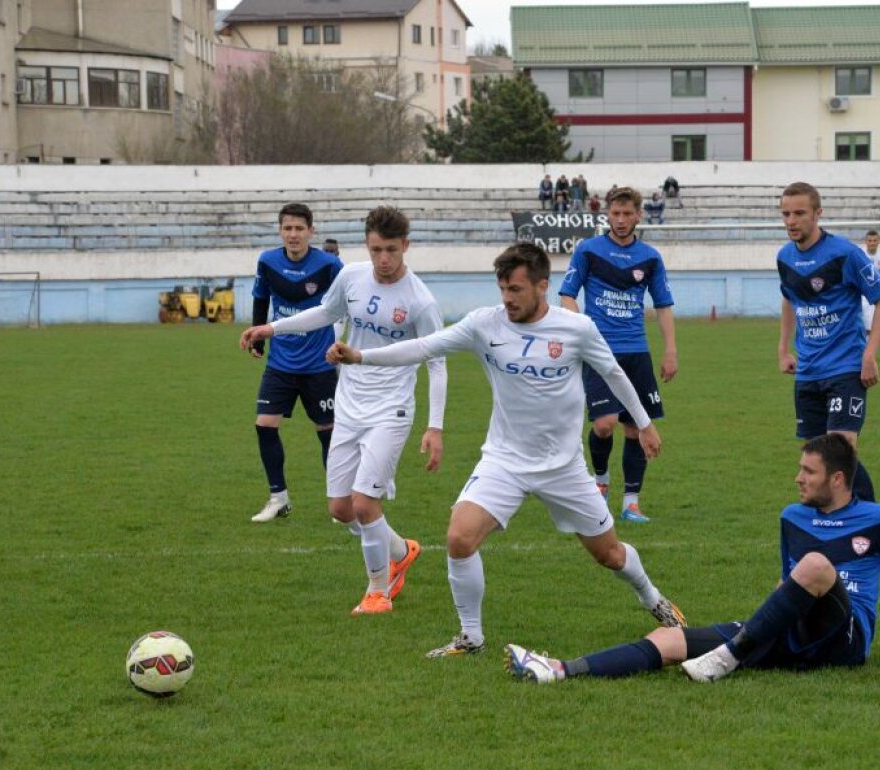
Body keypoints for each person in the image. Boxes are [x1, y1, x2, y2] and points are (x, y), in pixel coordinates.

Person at [325, 242, 686, 658]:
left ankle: (651, 597)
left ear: (542, 286)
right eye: (502, 289)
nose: (507, 299)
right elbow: (425, 347)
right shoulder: (485, 325)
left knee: (609, 554)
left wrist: (642, 424)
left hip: (563, 467)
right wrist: (361, 356)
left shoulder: (577, 328)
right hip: (504, 461)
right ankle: (471, 636)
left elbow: (613, 373)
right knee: (460, 538)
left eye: (516, 289)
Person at [505, 433, 880, 683]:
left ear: (837, 479)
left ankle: (729, 656)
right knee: (669, 639)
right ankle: (560, 670)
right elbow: (786, 584)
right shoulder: (791, 517)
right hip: (794, 629)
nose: (797, 478)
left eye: (808, 472)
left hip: (845, 636)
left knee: (817, 565)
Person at [240, 207, 444, 614]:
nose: (382, 260)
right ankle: (402, 551)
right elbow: (326, 314)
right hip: (350, 406)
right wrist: (271, 328)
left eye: (390, 250)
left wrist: (434, 427)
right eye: (375, 250)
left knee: (366, 504)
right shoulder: (351, 276)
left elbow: (436, 362)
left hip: (391, 411)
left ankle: (378, 591)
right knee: (340, 507)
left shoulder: (420, 301)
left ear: (406, 246)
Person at [559, 186, 678, 523]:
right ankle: (600, 482)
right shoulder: (589, 250)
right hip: (598, 351)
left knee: (635, 428)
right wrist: (578, 327)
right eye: (616, 214)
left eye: (628, 214)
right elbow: (567, 294)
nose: (621, 220)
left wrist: (670, 350)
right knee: (604, 424)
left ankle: (631, 503)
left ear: (639, 215)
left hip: (636, 352)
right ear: (607, 215)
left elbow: (664, 306)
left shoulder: (651, 258)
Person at [776, 182, 880, 503]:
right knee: (817, 459)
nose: (791, 221)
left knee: (841, 448)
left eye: (799, 213)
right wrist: (784, 348)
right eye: (786, 214)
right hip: (808, 371)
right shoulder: (784, 257)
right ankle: (833, 523)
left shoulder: (845, 254)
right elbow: (789, 299)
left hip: (845, 368)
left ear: (818, 213)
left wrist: (869, 355)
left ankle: (872, 520)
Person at [246, 203, 344, 522]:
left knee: (328, 431)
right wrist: (258, 336)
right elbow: (261, 297)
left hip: (319, 364)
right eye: (287, 228)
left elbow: (348, 305)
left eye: (299, 229)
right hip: (281, 362)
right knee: (264, 425)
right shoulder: (268, 261)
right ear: (280, 231)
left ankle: (338, 502)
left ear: (310, 232)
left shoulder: (330, 265)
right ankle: (278, 499)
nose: (293, 234)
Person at [859, 229, 880, 333]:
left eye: (874, 240)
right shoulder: (859, 255)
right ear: (866, 242)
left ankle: (867, 347)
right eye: (870, 240)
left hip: (876, 295)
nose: (872, 243)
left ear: (878, 242)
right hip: (860, 294)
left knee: (870, 327)